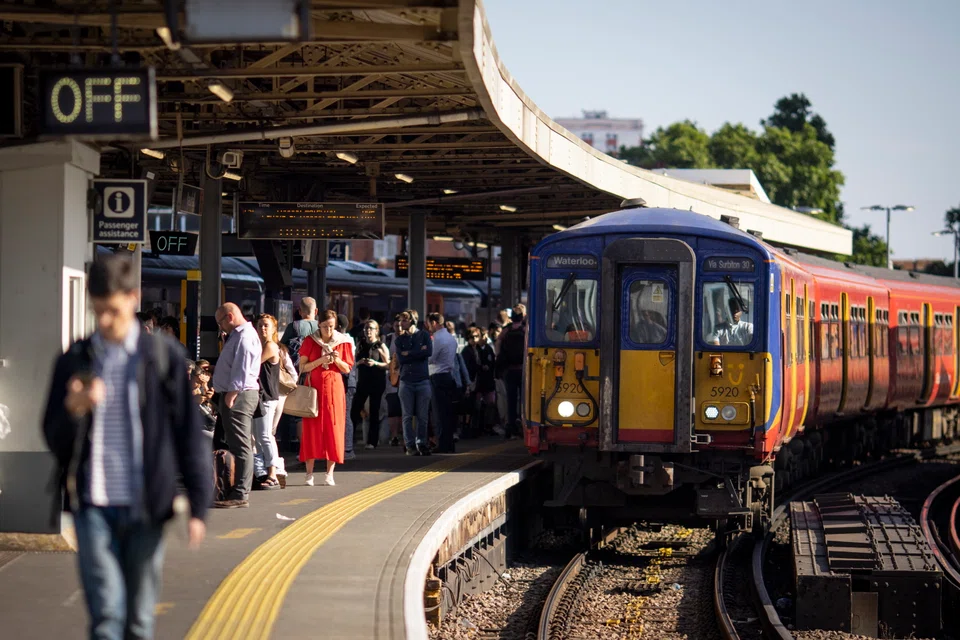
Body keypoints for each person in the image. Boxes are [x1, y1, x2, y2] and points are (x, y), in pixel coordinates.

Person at [41, 254, 211, 640]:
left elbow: (187, 432)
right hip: (92, 506)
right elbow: (52, 436)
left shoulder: (162, 357)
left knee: (138, 620)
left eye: (112, 311)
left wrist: (199, 505)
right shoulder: (76, 359)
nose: (104, 321)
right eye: (97, 311)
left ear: (133, 298)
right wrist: (73, 411)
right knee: (106, 618)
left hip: (147, 506)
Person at [211, 302, 262, 508]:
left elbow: (242, 369)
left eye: (220, 322)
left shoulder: (244, 336)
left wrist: (231, 395)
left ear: (230, 317)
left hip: (238, 396)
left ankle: (241, 492)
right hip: (236, 394)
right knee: (237, 444)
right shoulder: (237, 336)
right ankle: (238, 489)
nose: (221, 327)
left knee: (241, 445)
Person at [298, 310, 354, 486]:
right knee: (311, 429)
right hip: (313, 390)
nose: (328, 330)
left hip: (334, 389)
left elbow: (347, 368)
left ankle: (329, 473)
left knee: (333, 428)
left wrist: (335, 360)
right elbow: (302, 367)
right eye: (325, 327)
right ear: (318, 325)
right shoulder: (310, 340)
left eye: (331, 326)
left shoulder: (342, 341)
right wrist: (321, 360)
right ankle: (309, 473)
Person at [252, 314, 285, 489]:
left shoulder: (271, 346)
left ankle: (273, 473)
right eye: (260, 325)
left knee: (265, 435)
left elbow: (253, 364)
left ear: (273, 329)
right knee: (258, 437)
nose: (262, 329)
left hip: (267, 397)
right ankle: (264, 472)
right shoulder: (259, 345)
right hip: (259, 396)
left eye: (266, 325)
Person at [395, 309, 433, 456]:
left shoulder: (424, 335)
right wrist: (418, 351)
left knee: (422, 416)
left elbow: (428, 352)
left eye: (404, 320)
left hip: (422, 380)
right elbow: (401, 359)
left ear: (413, 321)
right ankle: (410, 445)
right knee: (407, 416)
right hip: (406, 381)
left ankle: (422, 443)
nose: (401, 323)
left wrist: (409, 353)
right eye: (400, 320)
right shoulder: (399, 339)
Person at [352, 320, 390, 449]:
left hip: (376, 381)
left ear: (376, 331)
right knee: (355, 410)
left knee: (374, 411)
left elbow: (388, 364)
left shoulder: (380, 345)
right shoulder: (360, 344)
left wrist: (375, 363)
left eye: (371, 328)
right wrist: (360, 362)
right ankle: (349, 439)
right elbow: (353, 362)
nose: (368, 331)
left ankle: (372, 442)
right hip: (363, 381)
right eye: (366, 328)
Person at [427, 312, 459, 453]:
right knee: (447, 413)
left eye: (429, 324)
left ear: (434, 323)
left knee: (438, 413)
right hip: (448, 376)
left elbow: (431, 358)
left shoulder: (438, 339)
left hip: (437, 377)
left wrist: (423, 351)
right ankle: (449, 444)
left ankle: (442, 444)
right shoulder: (451, 338)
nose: (428, 327)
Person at [496, 305, 527, 439]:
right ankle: (523, 424)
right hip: (522, 370)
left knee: (511, 399)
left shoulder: (506, 330)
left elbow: (498, 343)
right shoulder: (525, 330)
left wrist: (499, 357)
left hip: (509, 370)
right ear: (522, 317)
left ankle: (511, 426)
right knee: (524, 399)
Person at [462, 326, 498, 436]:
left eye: (477, 336)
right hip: (474, 382)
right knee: (473, 407)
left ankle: (484, 427)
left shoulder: (484, 349)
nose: (475, 339)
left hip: (484, 382)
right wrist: (481, 367)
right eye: (472, 337)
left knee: (487, 405)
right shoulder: (468, 351)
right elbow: (468, 366)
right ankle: (473, 428)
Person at [337, 313, 358, 460]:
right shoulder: (350, 339)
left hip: (346, 381)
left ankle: (348, 448)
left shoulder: (344, 341)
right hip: (350, 381)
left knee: (345, 415)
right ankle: (346, 448)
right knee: (346, 414)